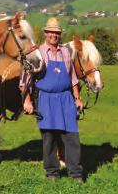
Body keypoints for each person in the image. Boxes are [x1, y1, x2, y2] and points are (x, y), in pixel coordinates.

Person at [23, 17, 84, 183]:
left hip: (66, 99)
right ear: (45, 33)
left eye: (56, 32)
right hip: (45, 99)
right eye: (50, 32)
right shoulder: (38, 52)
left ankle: (76, 173)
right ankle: (52, 172)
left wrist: (77, 99)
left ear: (60, 34)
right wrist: (27, 100)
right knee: (48, 138)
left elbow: (73, 78)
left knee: (71, 136)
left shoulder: (66, 52)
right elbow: (27, 78)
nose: (53, 35)